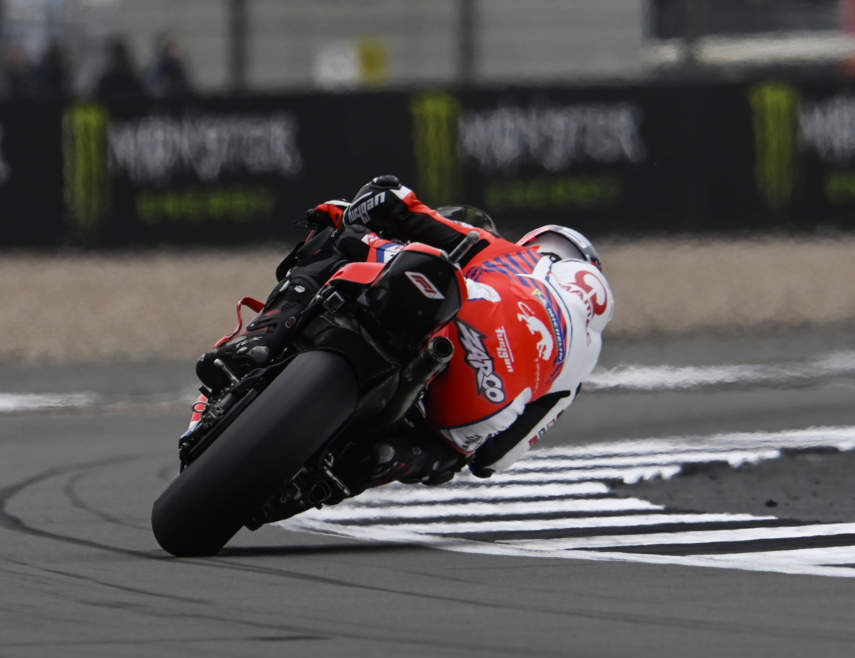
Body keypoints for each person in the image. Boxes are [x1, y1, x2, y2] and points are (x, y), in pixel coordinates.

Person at [197, 175, 613, 488]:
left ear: (542, 248)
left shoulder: (519, 262)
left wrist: (343, 213)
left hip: (467, 320)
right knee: (450, 454)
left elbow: (403, 209)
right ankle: (388, 458)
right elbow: (493, 459)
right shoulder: (574, 370)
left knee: (338, 243)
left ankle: (260, 342)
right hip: (483, 402)